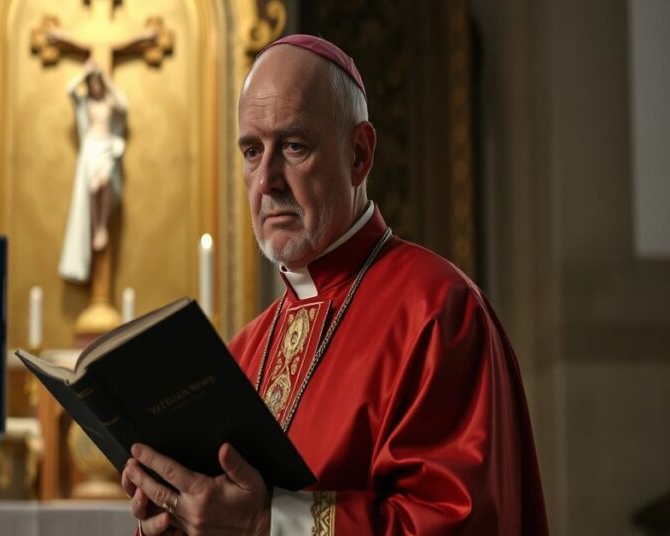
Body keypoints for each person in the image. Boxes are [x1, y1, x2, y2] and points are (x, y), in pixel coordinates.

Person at [120, 35, 548, 535]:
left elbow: (458, 523)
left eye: (294, 146)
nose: (267, 181)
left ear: (360, 155)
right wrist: (179, 516)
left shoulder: (437, 312)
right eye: (252, 152)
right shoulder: (243, 353)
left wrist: (266, 522)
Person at [58, 59, 128, 283]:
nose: (97, 87)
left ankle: (101, 228)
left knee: (104, 181)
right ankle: (97, 224)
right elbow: (70, 89)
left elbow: (124, 105)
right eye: (94, 83)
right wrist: (83, 72)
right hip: (91, 148)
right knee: (92, 186)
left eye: (99, 83)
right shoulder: (84, 102)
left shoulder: (108, 102)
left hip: (105, 147)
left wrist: (107, 80)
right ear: (90, 84)